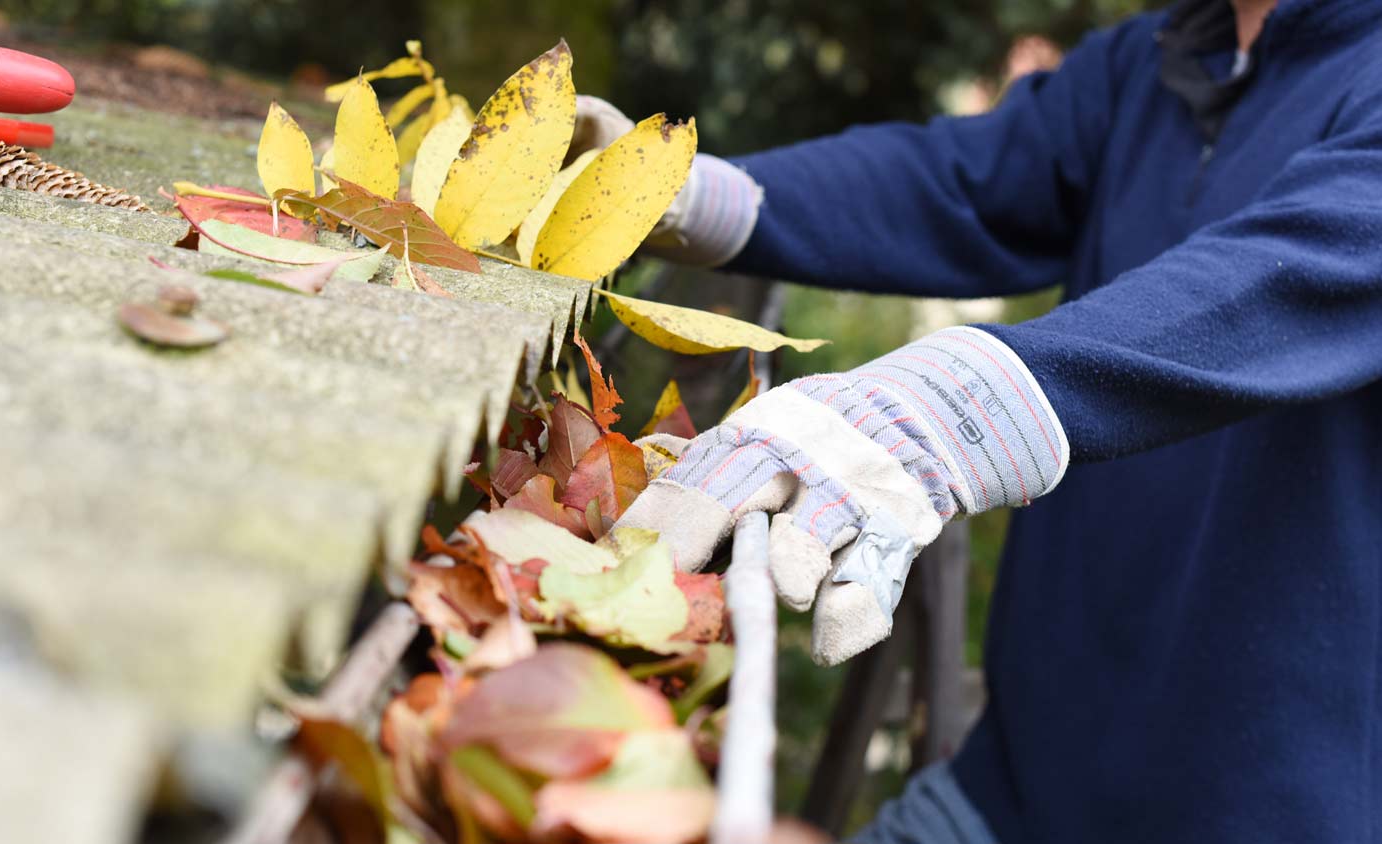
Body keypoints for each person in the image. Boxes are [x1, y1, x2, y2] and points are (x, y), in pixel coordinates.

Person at [582, 0, 1382, 841]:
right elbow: (959, 180)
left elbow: (1298, 269)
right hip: (1008, 795)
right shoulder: (1160, 59)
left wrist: (948, 409)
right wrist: (680, 192)